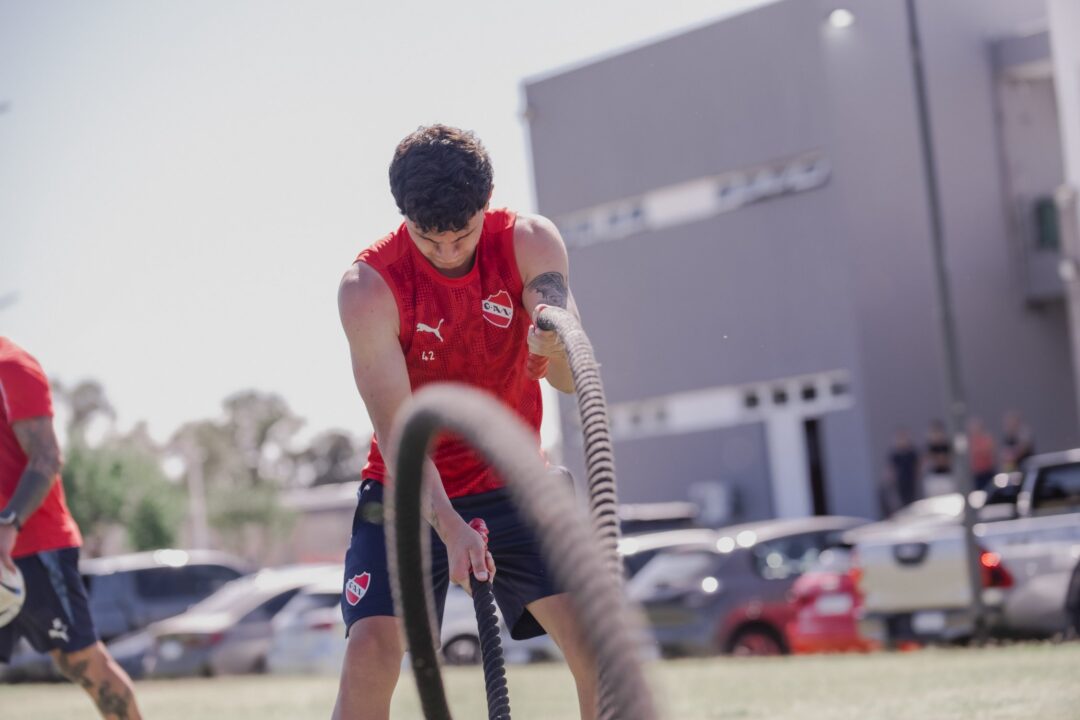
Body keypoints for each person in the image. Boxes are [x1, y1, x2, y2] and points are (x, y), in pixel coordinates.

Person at [333, 125, 596, 720]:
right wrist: (449, 525)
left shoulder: (530, 242)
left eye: (464, 235)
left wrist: (552, 347)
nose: (450, 252)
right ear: (404, 219)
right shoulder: (368, 289)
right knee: (371, 651)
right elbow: (399, 432)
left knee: (598, 647)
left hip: (518, 481)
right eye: (431, 240)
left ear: (489, 201)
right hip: (408, 490)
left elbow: (571, 378)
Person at [0, 337, 142, 720]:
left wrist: (9, 521)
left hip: (34, 548)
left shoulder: (11, 366)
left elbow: (47, 456)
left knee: (80, 662)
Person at [884, 428, 920, 513]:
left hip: (911, 480)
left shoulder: (911, 452)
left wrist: (917, 474)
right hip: (900, 482)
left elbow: (917, 465)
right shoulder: (895, 454)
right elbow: (890, 468)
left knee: (912, 500)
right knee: (901, 502)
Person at [967, 417, 997, 491]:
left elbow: (990, 452)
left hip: (988, 472)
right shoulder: (970, 441)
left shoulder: (987, 438)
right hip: (977, 474)